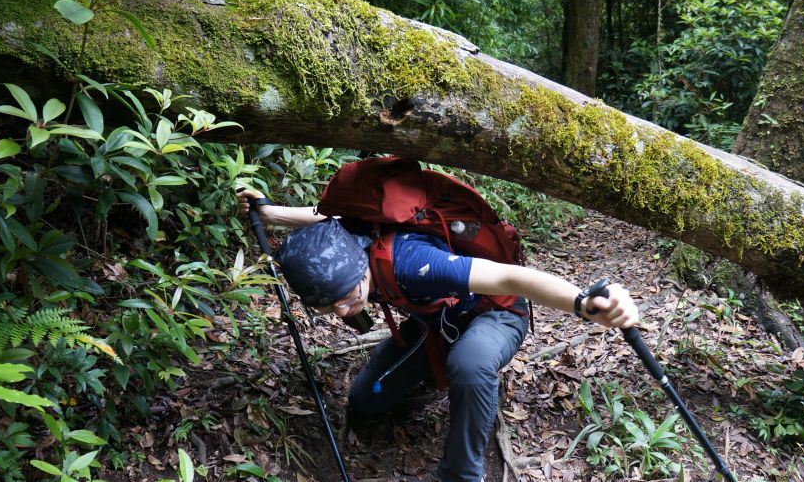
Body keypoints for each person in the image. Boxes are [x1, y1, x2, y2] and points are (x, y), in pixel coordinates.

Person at [237, 188, 639, 482]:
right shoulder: (351, 241)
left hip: (495, 312)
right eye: (329, 307)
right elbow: (326, 220)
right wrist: (269, 213)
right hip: (438, 323)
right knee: (365, 402)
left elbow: (508, 276)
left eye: (347, 297)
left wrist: (583, 304)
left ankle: (461, 473)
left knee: (471, 363)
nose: (343, 311)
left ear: (360, 269)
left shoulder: (413, 264)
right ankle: (436, 375)